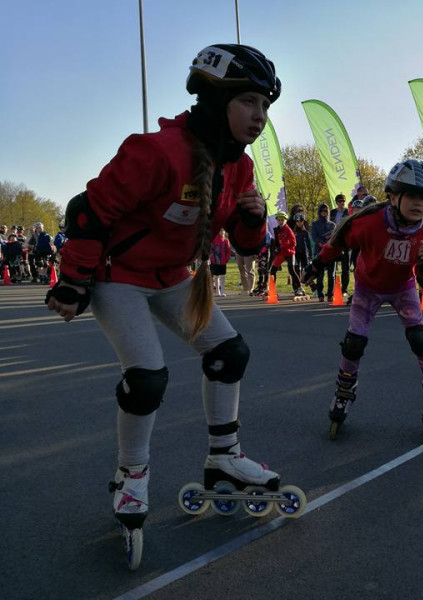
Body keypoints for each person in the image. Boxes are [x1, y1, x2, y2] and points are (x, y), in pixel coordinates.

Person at [44, 44, 288, 568]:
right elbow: (88, 211)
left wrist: (253, 215)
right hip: (120, 277)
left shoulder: (239, 169)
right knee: (148, 377)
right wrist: (73, 280)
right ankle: (131, 476)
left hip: (173, 277)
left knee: (230, 352)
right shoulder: (157, 150)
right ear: (215, 97)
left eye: (265, 106)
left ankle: (224, 459)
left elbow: (245, 247)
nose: (259, 116)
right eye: (249, 101)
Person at [303, 159, 423, 442]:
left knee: (419, 337)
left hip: (403, 287)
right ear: (393, 196)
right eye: (413, 196)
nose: (419, 205)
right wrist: (317, 265)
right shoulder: (370, 223)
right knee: (354, 341)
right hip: (368, 288)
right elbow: (339, 242)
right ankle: (344, 390)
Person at [270, 211, 305, 298]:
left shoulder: (288, 230)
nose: (281, 221)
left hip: (289, 252)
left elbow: (294, 243)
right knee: (273, 270)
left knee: (291, 270)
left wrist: (283, 245)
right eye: (279, 220)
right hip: (281, 253)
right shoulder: (277, 230)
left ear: (285, 220)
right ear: (277, 221)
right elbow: (276, 242)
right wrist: (276, 248)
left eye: (282, 220)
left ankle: (300, 288)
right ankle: (272, 289)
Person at [310, 203, 336, 301]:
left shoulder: (332, 225)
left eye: (325, 210)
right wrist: (321, 243)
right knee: (320, 274)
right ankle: (320, 295)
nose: (324, 212)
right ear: (319, 212)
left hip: (330, 252)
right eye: (322, 210)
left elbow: (334, 237)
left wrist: (328, 244)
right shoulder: (315, 224)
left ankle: (330, 295)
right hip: (319, 252)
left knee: (331, 275)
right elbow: (314, 236)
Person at [330, 194, 351, 298]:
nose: (341, 203)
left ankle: (344, 289)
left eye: (343, 201)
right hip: (334, 240)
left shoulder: (348, 212)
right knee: (331, 267)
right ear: (336, 202)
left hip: (345, 241)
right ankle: (332, 290)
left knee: (345, 267)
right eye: (339, 201)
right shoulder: (332, 212)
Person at [210, 230, 232, 296]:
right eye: (221, 231)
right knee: (216, 276)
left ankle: (222, 291)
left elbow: (228, 251)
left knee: (223, 276)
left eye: (223, 232)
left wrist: (226, 259)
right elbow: (211, 250)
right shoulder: (214, 240)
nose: (222, 233)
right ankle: (217, 291)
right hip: (215, 261)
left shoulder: (226, 240)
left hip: (223, 262)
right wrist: (213, 259)